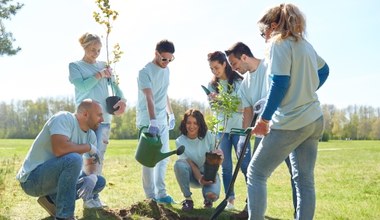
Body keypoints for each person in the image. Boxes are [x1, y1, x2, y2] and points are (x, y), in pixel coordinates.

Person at [247, 3, 329, 219]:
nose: (263, 37)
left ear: (273, 26)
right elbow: (325, 69)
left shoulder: (277, 43)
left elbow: (280, 84)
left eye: (262, 32)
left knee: (256, 173)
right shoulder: (304, 44)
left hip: (291, 122)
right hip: (314, 119)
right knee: (304, 181)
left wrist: (264, 120)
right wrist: (305, 89)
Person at [225, 42, 297, 218]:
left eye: (234, 64)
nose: (234, 69)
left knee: (295, 174)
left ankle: (299, 214)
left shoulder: (270, 66)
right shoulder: (245, 84)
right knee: (255, 173)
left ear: (244, 57)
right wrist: (244, 137)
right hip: (262, 130)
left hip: (285, 126)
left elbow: (283, 86)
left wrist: (269, 104)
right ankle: (252, 211)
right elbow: (248, 111)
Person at [16, 99, 107, 220]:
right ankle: (64, 216)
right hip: (32, 180)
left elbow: (91, 164)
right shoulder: (63, 118)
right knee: (73, 159)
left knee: (99, 182)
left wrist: (92, 176)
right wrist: (88, 147)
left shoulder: (91, 135)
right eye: (99, 115)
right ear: (85, 114)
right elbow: (59, 149)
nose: (102, 120)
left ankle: (50, 199)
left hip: (53, 180)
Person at [68, 32, 127, 207]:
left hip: (104, 118)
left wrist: (123, 100)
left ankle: (93, 194)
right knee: (88, 155)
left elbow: (116, 87)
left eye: (99, 50)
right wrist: (100, 75)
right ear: (84, 47)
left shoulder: (104, 65)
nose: (96, 53)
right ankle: (86, 197)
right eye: (92, 49)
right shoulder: (75, 66)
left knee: (99, 156)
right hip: (85, 118)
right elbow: (82, 86)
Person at [136, 39, 176, 204]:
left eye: (170, 59)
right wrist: (152, 121)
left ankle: (162, 194)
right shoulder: (145, 72)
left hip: (162, 119)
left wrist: (170, 114)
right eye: (164, 59)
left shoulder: (167, 71)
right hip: (148, 120)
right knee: (149, 158)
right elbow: (149, 97)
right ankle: (150, 196)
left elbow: (163, 93)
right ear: (156, 53)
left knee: (164, 156)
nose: (166, 62)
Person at [206, 51, 246, 210]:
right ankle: (230, 200)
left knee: (245, 165)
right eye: (211, 68)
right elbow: (213, 109)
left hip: (238, 129)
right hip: (221, 130)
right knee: (226, 167)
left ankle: (252, 200)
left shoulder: (238, 82)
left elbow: (243, 107)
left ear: (224, 64)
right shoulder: (211, 85)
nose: (215, 71)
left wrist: (221, 100)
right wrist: (214, 101)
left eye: (216, 67)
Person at [174, 109, 223, 211]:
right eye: (189, 123)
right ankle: (188, 200)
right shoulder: (180, 141)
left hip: (209, 175)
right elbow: (190, 164)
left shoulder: (209, 136)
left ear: (200, 124)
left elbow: (217, 161)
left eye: (195, 123)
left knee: (212, 196)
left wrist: (221, 157)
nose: (191, 126)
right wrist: (200, 179)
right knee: (179, 164)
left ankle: (208, 200)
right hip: (192, 175)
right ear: (184, 123)